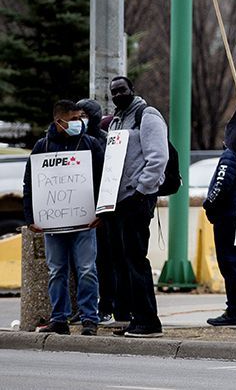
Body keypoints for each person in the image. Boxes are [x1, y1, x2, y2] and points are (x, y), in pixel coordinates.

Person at [23, 101, 104, 335]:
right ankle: (59, 319)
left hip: (85, 221)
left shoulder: (89, 144)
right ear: (59, 121)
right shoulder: (42, 147)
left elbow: (102, 180)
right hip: (53, 224)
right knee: (56, 270)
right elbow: (30, 185)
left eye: (81, 118)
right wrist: (31, 218)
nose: (80, 123)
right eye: (75, 119)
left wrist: (101, 212)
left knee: (87, 269)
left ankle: (90, 318)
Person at [105, 76, 168, 338]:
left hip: (137, 199)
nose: (118, 94)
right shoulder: (117, 120)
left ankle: (149, 322)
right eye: (114, 91)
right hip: (119, 201)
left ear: (132, 90)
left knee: (136, 261)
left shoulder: (147, 114)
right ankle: (136, 319)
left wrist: (142, 191)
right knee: (125, 262)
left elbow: (158, 157)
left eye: (122, 90)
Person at [202, 148, 236, 326]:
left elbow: (222, 183)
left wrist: (209, 204)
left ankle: (235, 310)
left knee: (229, 263)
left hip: (227, 214)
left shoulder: (231, 154)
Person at [76, 98, 116, 325]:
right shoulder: (74, 142)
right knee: (80, 264)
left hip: (101, 212)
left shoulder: (103, 142)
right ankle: (84, 308)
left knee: (103, 262)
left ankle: (106, 306)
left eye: (84, 115)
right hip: (79, 210)